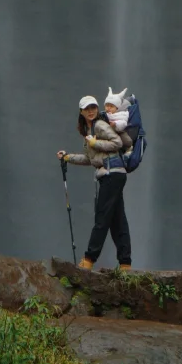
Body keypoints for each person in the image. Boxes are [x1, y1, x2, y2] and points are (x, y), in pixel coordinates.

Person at [57, 89, 134, 271]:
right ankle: (125, 263)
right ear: (81, 112)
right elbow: (90, 159)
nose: (91, 111)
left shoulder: (99, 126)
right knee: (117, 220)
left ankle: (89, 259)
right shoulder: (89, 132)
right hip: (112, 174)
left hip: (112, 174)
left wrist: (94, 143)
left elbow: (117, 143)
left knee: (102, 217)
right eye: (87, 109)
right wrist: (68, 157)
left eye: (93, 107)